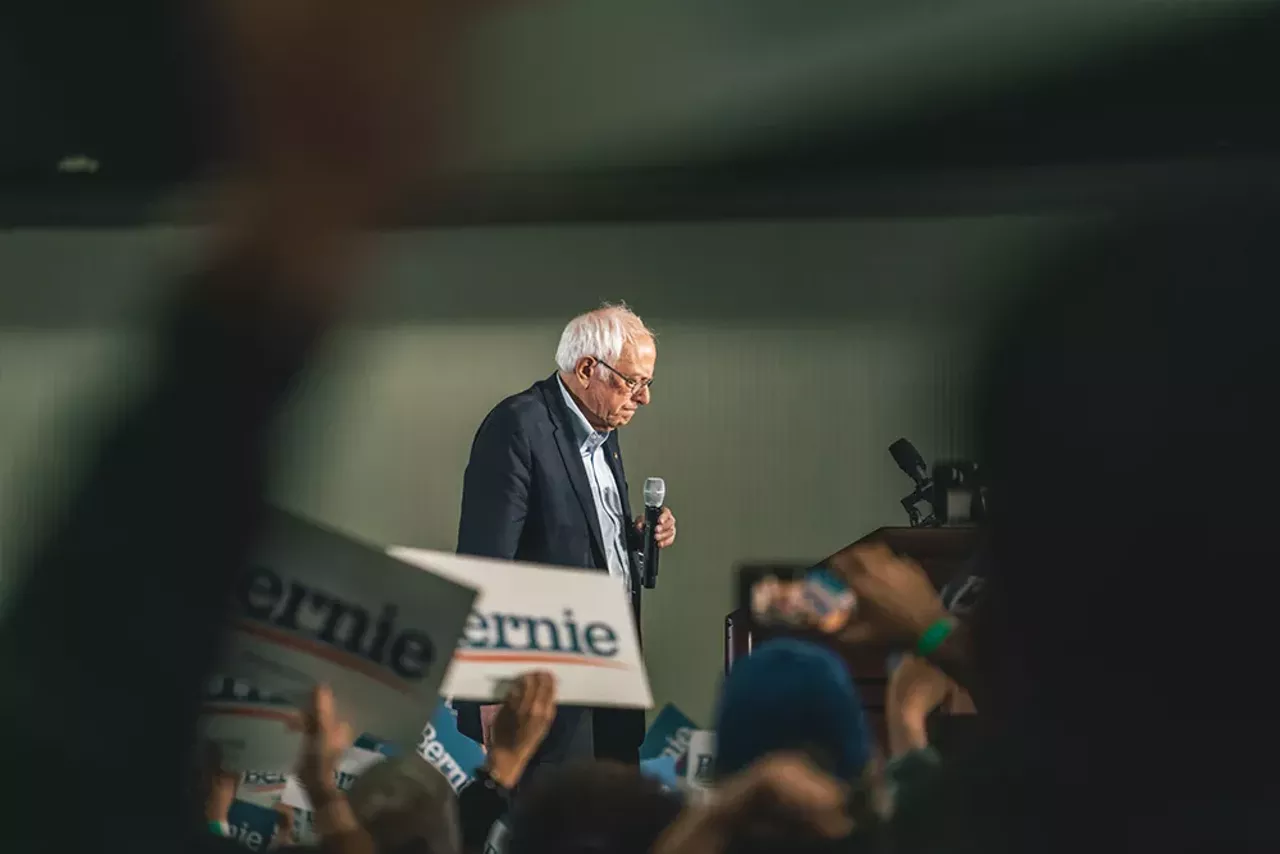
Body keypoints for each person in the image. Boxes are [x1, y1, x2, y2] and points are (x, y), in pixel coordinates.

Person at [456, 304, 677, 772]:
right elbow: (485, 563)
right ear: (586, 370)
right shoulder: (517, 427)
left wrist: (634, 538)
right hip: (545, 696)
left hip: (612, 682)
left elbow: (577, 538)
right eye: (634, 381)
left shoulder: (603, 430)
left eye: (647, 384)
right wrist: (489, 693)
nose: (643, 398)